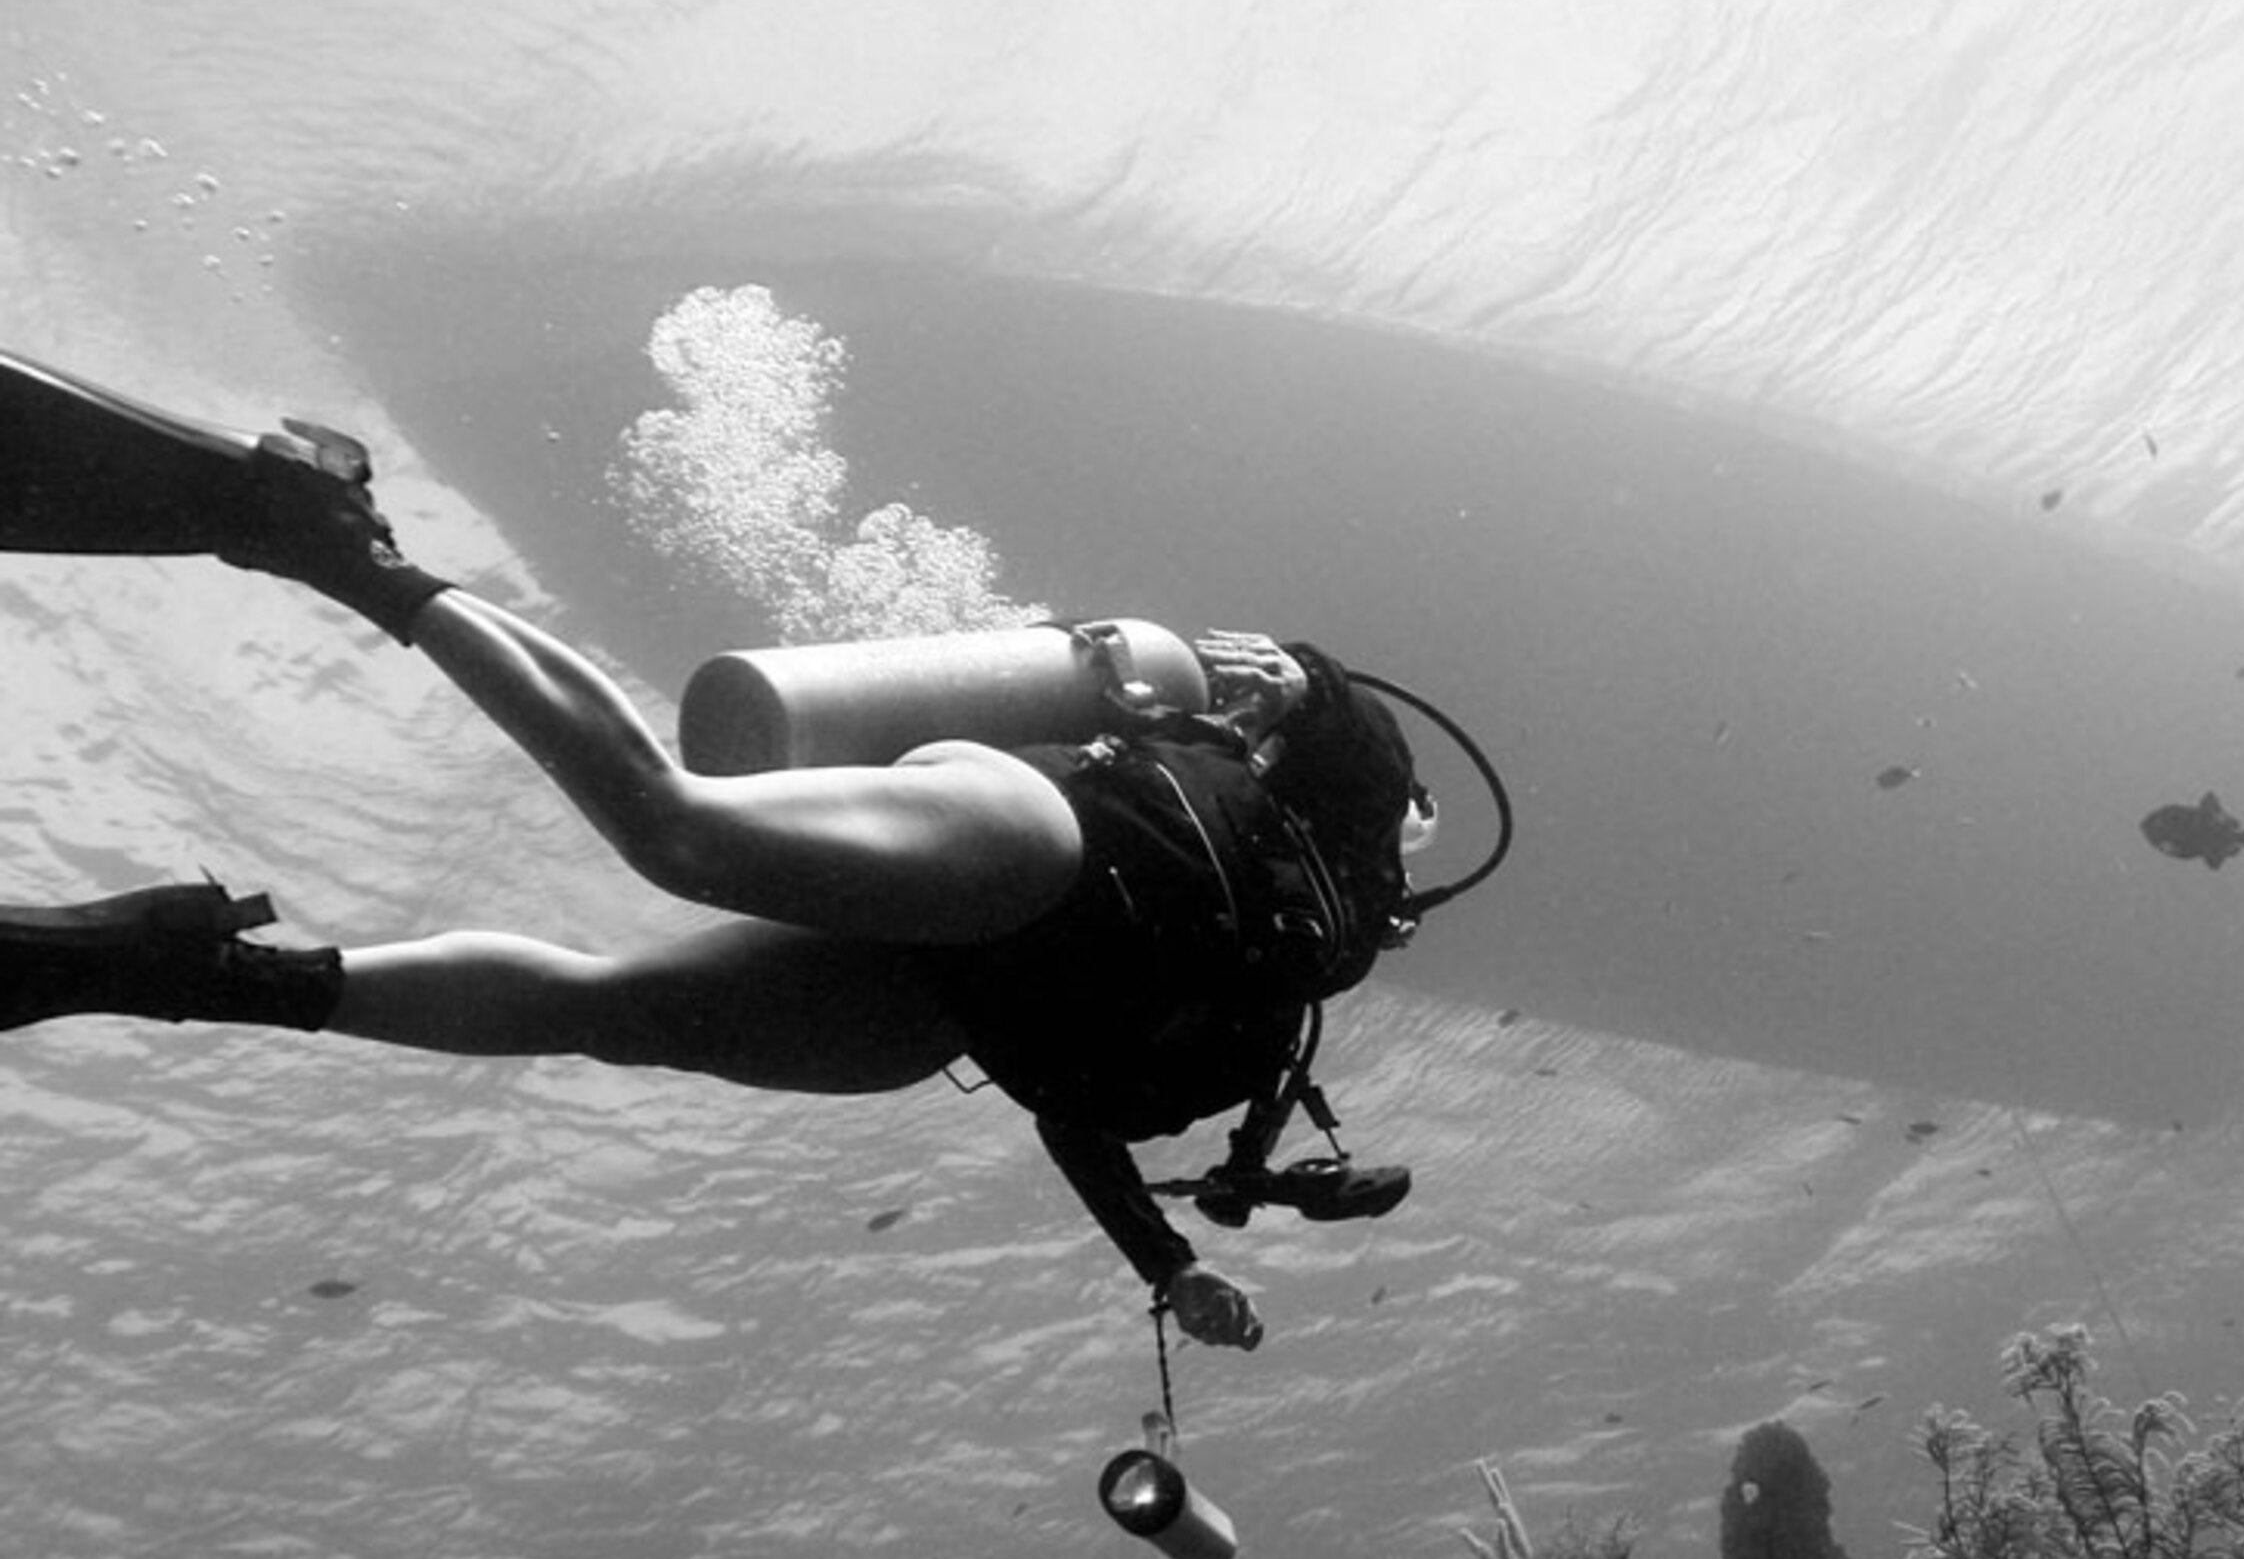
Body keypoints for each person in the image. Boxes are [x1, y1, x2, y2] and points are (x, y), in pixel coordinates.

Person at [0, 349, 1436, 1349]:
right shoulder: (1332, 806)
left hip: (965, 998)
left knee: (603, 1015)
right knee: (670, 830)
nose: (1417, 863)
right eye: (1411, 830)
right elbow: (1324, 697)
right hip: (1044, 842)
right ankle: (328, 541)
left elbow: (1071, 1096)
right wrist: (1312, 704)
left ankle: (192, 969)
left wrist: (1167, 1262)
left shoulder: (1289, 995)